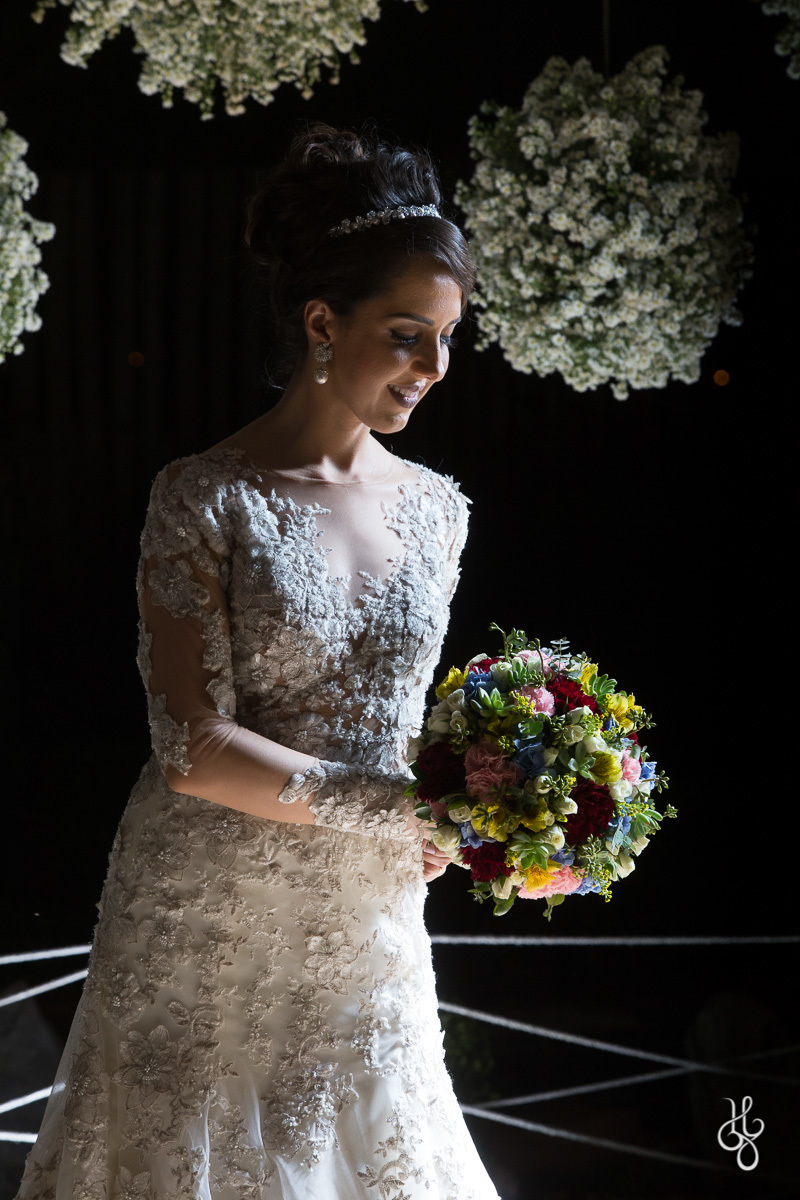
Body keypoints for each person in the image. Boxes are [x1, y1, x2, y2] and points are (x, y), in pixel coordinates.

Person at [15, 124, 502, 1200]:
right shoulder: (203, 497)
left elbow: (393, 717)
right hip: (205, 907)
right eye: (406, 334)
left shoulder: (438, 514)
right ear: (322, 324)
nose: (433, 367)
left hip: (364, 918)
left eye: (448, 338)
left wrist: (480, 801)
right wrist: (393, 810)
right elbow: (190, 745)